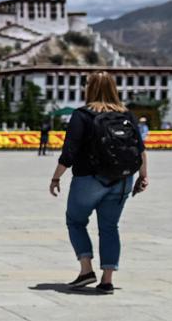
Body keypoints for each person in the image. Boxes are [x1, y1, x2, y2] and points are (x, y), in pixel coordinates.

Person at [49, 72, 149, 295]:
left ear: (90, 88)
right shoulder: (126, 114)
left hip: (89, 178)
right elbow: (141, 150)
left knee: (75, 221)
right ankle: (107, 280)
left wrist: (56, 177)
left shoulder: (82, 115)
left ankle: (86, 269)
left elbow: (70, 152)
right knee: (109, 227)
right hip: (123, 179)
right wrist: (143, 176)